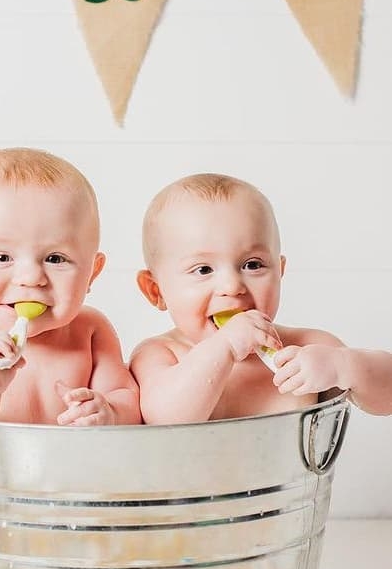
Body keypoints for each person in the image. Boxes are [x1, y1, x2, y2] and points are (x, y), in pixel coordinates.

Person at [130, 172, 392, 424]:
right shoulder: (159, 355)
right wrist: (225, 346)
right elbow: (163, 420)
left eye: (252, 265)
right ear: (156, 291)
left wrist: (346, 367)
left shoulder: (306, 347)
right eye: (203, 269)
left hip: (296, 471)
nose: (232, 286)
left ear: (279, 271)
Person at [0, 147, 140, 425]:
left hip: (81, 468)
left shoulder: (90, 331)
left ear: (92, 273)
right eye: (2, 257)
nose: (31, 277)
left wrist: (110, 412)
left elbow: (126, 398)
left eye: (55, 258)